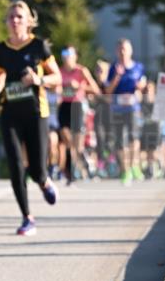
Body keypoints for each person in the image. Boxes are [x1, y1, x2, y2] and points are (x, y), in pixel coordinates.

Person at [0, 0, 60, 235]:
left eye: (20, 17)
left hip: (37, 113)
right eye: (11, 17)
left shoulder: (39, 46)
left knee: (37, 169)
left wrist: (39, 80)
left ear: (29, 21)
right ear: (6, 22)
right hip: (9, 113)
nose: (15, 21)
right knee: (16, 166)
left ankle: (44, 181)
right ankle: (27, 218)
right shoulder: (1, 49)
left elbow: (57, 78)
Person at [105, 38, 147, 185]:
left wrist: (141, 86)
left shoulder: (138, 67)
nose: (123, 52)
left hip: (133, 109)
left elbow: (143, 85)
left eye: (125, 49)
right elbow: (108, 90)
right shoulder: (113, 68)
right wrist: (117, 77)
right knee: (120, 142)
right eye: (120, 49)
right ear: (117, 51)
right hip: (117, 110)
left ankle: (135, 165)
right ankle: (125, 170)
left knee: (134, 139)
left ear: (131, 51)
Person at [57, 46, 101, 183]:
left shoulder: (81, 71)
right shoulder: (59, 71)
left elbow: (95, 90)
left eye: (69, 54)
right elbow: (54, 87)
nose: (66, 57)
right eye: (64, 53)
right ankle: (75, 168)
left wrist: (79, 86)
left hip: (77, 106)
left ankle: (83, 167)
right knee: (66, 139)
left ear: (75, 56)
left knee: (78, 144)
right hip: (64, 106)